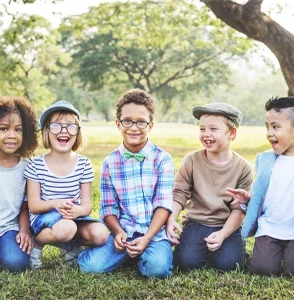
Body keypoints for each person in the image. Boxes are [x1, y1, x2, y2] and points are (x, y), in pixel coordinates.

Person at [78, 89, 175, 278]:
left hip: (153, 234)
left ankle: (141, 256)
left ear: (151, 125)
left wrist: (147, 239)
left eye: (141, 122)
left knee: (157, 269)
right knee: (90, 267)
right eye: (127, 121)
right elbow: (107, 208)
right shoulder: (109, 162)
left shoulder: (162, 159)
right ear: (118, 124)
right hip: (123, 232)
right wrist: (118, 232)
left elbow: (163, 205)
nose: (134, 127)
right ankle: (124, 253)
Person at [167, 102, 253, 272]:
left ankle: (233, 249)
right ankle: (202, 249)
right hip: (196, 222)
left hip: (226, 224)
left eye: (213, 129)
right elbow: (179, 195)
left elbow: (239, 209)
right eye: (202, 129)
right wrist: (171, 219)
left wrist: (223, 234)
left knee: (229, 265)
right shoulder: (191, 161)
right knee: (186, 263)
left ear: (232, 133)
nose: (206, 134)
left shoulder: (243, 167)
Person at [24, 100, 109, 269]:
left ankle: (71, 247)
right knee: (67, 228)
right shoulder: (35, 165)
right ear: (47, 132)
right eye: (56, 126)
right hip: (44, 217)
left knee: (101, 234)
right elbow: (33, 206)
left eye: (70, 126)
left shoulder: (83, 164)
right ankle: (37, 243)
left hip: (73, 216)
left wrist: (78, 210)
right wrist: (55, 203)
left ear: (78, 132)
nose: (64, 131)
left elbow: (86, 205)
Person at [226, 96, 294, 276]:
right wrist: (248, 199)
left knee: (291, 271)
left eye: (276, 126)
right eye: (267, 127)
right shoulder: (265, 160)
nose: (269, 133)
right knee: (263, 270)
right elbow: (264, 196)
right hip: (270, 228)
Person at [0, 96, 38, 272]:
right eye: (4, 129)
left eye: (18, 130)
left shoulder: (27, 167)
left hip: (9, 229)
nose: (12, 135)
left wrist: (25, 231)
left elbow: (25, 207)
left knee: (16, 263)